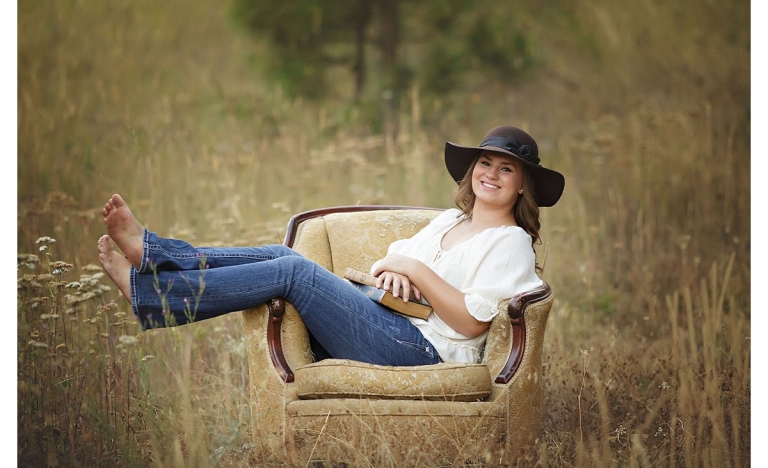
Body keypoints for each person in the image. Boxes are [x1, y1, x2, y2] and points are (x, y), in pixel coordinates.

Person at [98, 125, 564, 367]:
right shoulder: (448, 221)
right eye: (485, 163)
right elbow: (388, 264)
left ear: (524, 186)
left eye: (506, 170)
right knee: (284, 256)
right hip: (389, 321)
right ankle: (156, 257)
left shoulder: (511, 242)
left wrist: (416, 271)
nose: (491, 174)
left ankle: (154, 298)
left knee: (293, 272)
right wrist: (395, 267)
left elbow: (471, 321)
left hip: (425, 350)